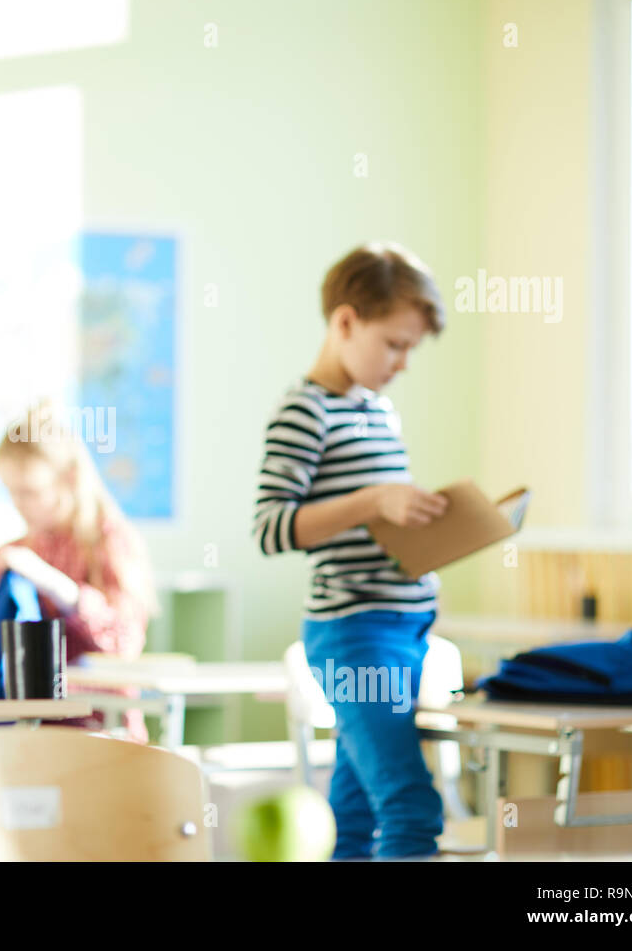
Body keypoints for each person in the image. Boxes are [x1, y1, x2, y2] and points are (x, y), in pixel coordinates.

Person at [253, 242, 449, 859]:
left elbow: (378, 520)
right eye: (394, 344)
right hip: (354, 632)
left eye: (411, 349)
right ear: (345, 322)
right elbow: (271, 526)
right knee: (409, 802)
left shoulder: (377, 411)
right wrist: (372, 501)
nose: (403, 362)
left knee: (355, 807)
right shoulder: (304, 410)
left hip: (406, 628)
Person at [0, 398, 159, 744]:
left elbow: (124, 638)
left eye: (30, 492)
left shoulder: (111, 541)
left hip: (105, 733)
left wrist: (59, 588)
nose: (19, 504)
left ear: (69, 478)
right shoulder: (23, 549)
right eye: (11, 492)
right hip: (40, 738)